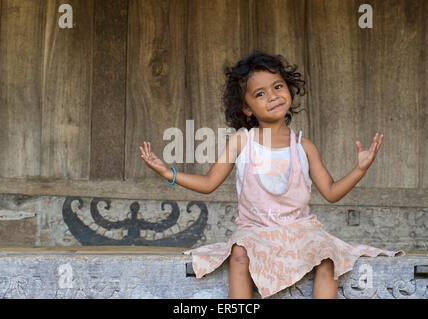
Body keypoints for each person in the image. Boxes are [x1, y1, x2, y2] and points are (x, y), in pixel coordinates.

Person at [139, 51, 404, 299]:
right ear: (246, 108)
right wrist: (168, 173)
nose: (273, 96)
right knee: (239, 253)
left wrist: (359, 170)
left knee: (327, 257)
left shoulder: (305, 146)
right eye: (260, 93)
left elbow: (332, 192)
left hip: (300, 229)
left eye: (277, 86)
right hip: (255, 230)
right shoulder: (242, 142)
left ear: (288, 89)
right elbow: (209, 183)